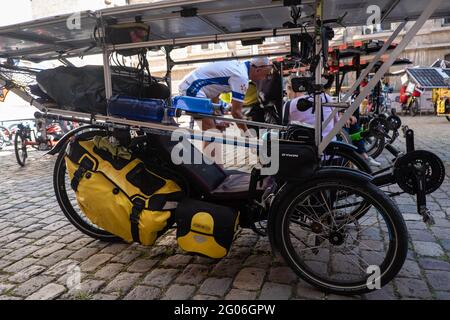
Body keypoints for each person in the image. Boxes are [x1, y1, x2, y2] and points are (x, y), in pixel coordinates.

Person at [178, 57, 273, 135]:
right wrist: (247, 135)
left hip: (192, 86)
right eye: (266, 75)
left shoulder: (239, 67)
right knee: (211, 132)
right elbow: (236, 112)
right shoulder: (242, 77)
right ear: (258, 70)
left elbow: (215, 93)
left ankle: (212, 158)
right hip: (192, 88)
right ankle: (210, 158)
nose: (264, 78)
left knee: (215, 131)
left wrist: (218, 120)